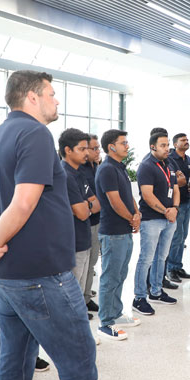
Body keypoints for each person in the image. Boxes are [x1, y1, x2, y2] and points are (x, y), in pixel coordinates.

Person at [0, 70, 98, 380]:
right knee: (78, 362)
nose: (57, 100)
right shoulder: (35, 134)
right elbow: (23, 203)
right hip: (40, 275)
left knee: (15, 360)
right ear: (32, 97)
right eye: (51, 94)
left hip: (5, 275)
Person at [96, 129, 141, 341]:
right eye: (123, 143)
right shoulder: (106, 169)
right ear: (111, 147)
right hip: (113, 232)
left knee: (121, 275)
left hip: (124, 231)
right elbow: (114, 202)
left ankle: (115, 314)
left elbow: (128, 196)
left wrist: (137, 213)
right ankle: (105, 323)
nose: (127, 146)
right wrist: (132, 218)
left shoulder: (119, 168)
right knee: (110, 277)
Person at [132, 132, 179, 316]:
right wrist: (166, 211)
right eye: (163, 145)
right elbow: (147, 195)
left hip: (169, 218)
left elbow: (175, 189)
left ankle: (156, 292)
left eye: (168, 145)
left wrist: (175, 208)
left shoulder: (169, 165)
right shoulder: (146, 166)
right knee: (146, 258)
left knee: (162, 257)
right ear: (152, 147)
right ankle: (139, 297)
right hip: (152, 219)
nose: (167, 149)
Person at [58, 128, 100, 301]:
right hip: (73, 242)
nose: (87, 153)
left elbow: (96, 204)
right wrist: (86, 206)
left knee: (80, 290)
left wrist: (85, 205)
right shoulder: (65, 175)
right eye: (82, 149)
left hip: (84, 238)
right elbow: (82, 213)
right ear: (68, 150)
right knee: (72, 295)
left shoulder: (78, 173)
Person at [166, 133, 190, 283]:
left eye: (187, 140)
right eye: (183, 140)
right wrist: (181, 181)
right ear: (175, 144)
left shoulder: (187, 159)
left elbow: (189, 177)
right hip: (176, 203)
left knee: (183, 236)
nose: (186, 142)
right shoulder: (170, 159)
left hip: (187, 201)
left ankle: (177, 266)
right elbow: (175, 180)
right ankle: (170, 268)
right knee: (176, 237)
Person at [81, 134, 102, 314]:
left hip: (98, 220)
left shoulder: (96, 167)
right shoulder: (80, 170)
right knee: (82, 265)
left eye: (98, 148)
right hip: (85, 222)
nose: (97, 151)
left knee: (91, 263)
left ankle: (86, 297)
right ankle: (80, 301)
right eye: (93, 148)